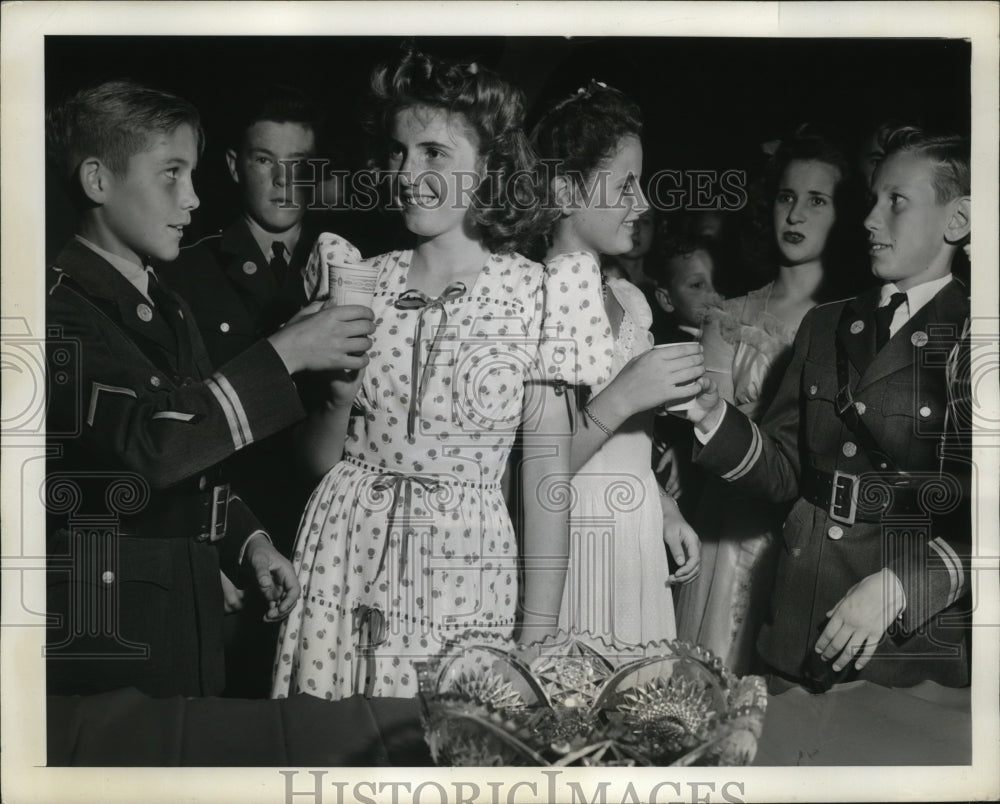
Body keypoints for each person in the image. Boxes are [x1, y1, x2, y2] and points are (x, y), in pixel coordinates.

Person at [270, 48, 617, 700]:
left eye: (435, 153)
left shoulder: (540, 295)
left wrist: (537, 636)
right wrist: (338, 402)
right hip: (340, 559)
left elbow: (545, 477)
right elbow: (316, 462)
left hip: (460, 576)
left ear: (488, 166)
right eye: (399, 152)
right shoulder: (356, 278)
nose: (408, 173)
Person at [44, 79, 376, 698]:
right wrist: (283, 354)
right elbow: (148, 450)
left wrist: (247, 542)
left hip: (184, 607)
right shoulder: (51, 311)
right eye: (171, 173)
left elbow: (200, 463)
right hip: (109, 620)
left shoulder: (163, 303)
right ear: (97, 180)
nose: (194, 198)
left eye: (192, 174)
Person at [685, 127, 971, 690]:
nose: (869, 220)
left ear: (957, 222)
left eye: (897, 202)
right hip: (795, 620)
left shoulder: (974, 338)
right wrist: (708, 417)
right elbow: (786, 469)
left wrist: (901, 586)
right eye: (873, 200)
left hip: (900, 646)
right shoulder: (827, 324)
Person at [675, 129, 868, 674]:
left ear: (843, 214)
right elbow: (705, 433)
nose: (797, 215)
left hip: (814, 541)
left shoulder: (857, 320)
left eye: (817, 200)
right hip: (731, 531)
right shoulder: (730, 318)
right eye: (787, 197)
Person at [159, 83, 325, 697]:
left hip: (330, 533)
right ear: (233, 166)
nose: (285, 183)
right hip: (233, 532)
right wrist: (210, 549)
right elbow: (174, 436)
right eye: (265, 161)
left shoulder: (357, 267)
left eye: (301, 166)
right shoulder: (183, 270)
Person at [530, 81, 703, 647]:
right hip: (566, 545)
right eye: (625, 185)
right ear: (564, 191)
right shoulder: (524, 299)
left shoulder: (630, 300)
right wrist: (627, 393)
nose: (643, 202)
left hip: (634, 544)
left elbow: (629, 453)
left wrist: (664, 506)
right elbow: (525, 473)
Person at [646, 232, 723, 520]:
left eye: (716, 283)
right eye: (697, 286)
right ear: (666, 299)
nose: (713, 295)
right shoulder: (666, 352)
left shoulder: (735, 342)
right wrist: (684, 450)